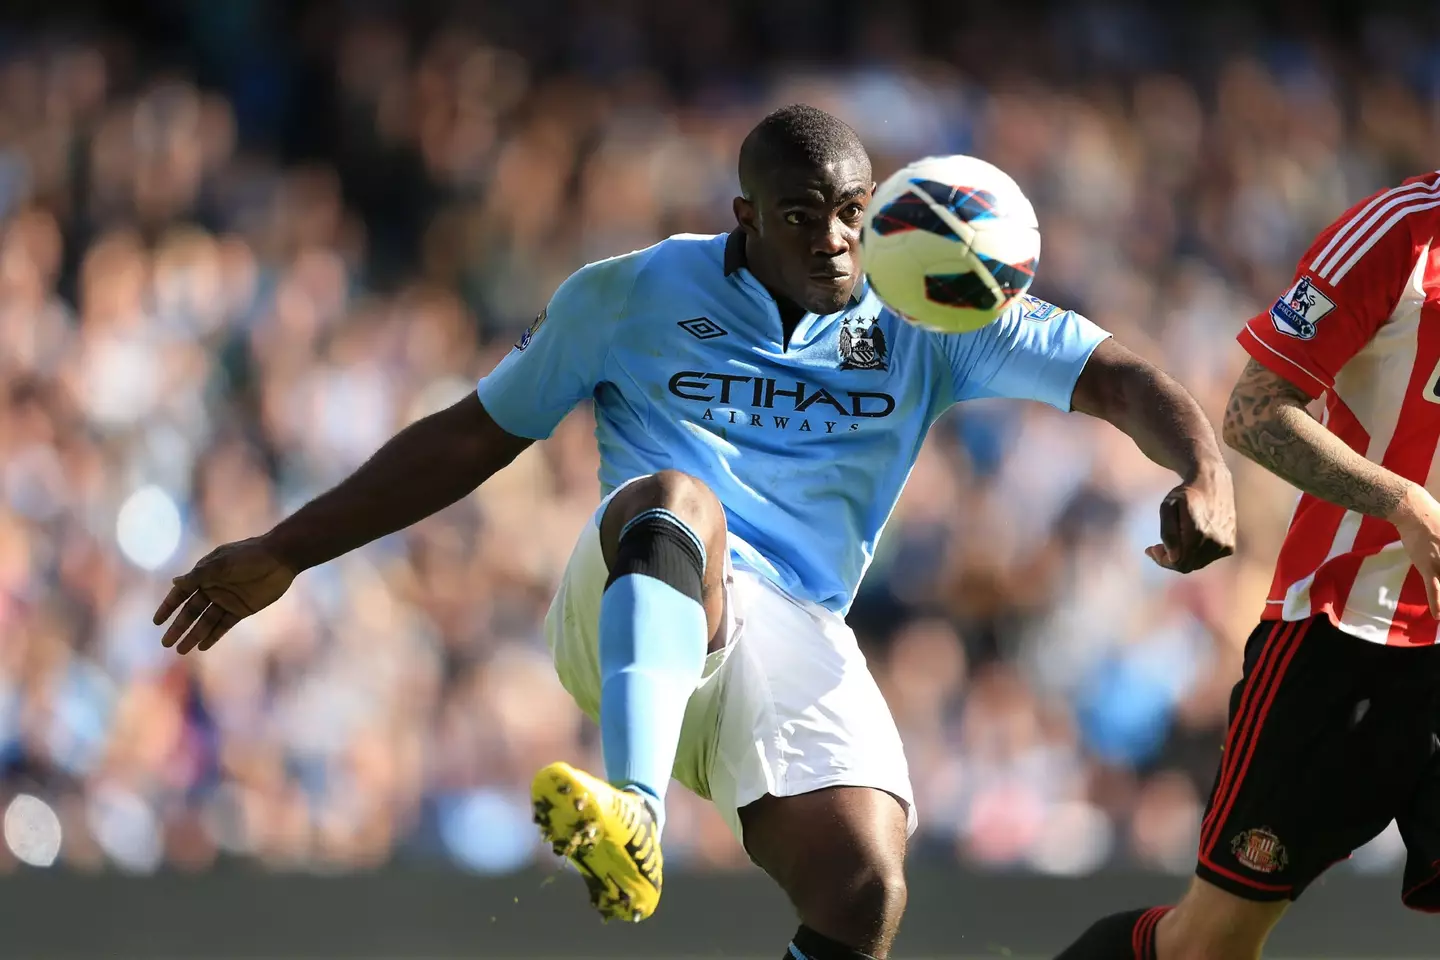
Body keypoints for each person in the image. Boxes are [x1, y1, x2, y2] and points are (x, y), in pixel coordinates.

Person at [153, 105, 1236, 960]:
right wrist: (288, 548)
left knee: (863, 888)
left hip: (793, 623)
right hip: (633, 591)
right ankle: (631, 809)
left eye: (853, 210)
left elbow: (1117, 376)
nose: (838, 237)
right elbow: (470, 438)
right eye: (805, 213)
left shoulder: (927, 305)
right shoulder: (629, 294)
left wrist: (1203, 468)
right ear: (744, 216)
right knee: (679, 494)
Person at [1055, 170, 1440, 960]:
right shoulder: (1395, 235)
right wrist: (1402, 500)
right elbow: (1256, 413)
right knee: (1209, 945)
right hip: (1343, 636)